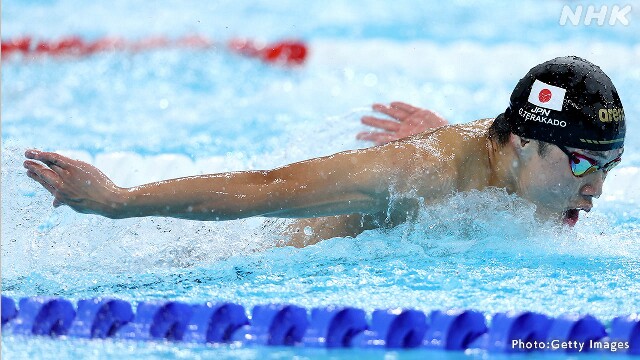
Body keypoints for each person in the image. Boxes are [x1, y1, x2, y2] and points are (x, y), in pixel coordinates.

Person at [23, 56, 626, 248]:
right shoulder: (419, 173)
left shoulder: (516, 159)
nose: (595, 189)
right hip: (260, 259)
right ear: (521, 143)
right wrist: (115, 201)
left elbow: (483, 148)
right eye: (581, 162)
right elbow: (265, 189)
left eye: (606, 167)